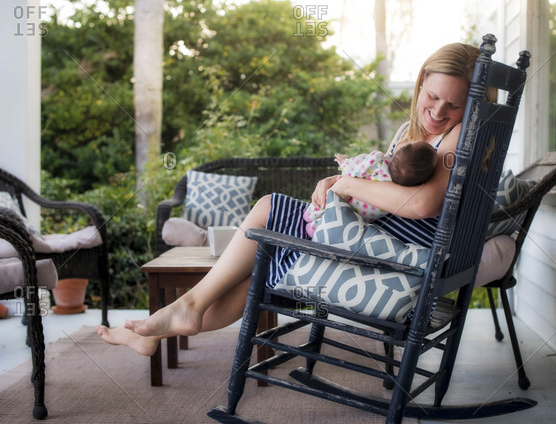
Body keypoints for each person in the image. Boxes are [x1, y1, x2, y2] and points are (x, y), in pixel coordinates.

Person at [96, 42, 486, 356]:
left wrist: (346, 185)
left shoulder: (458, 136)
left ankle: (186, 310)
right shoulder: (421, 132)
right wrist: (343, 180)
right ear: (420, 85)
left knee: (269, 208)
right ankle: (173, 321)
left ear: (471, 105)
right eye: (432, 96)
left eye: (453, 105)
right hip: (374, 245)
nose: (437, 111)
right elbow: (394, 190)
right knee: (254, 272)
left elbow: (422, 205)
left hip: (390, 259)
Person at [303, 141, 437, 237]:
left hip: (345, 195)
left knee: (327, 201)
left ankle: (310, 214)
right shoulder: (397, 194)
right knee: (341, 217)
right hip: (359, 215)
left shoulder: (378, 163)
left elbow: (356, 168)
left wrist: (345, 162)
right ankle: (315, 229)